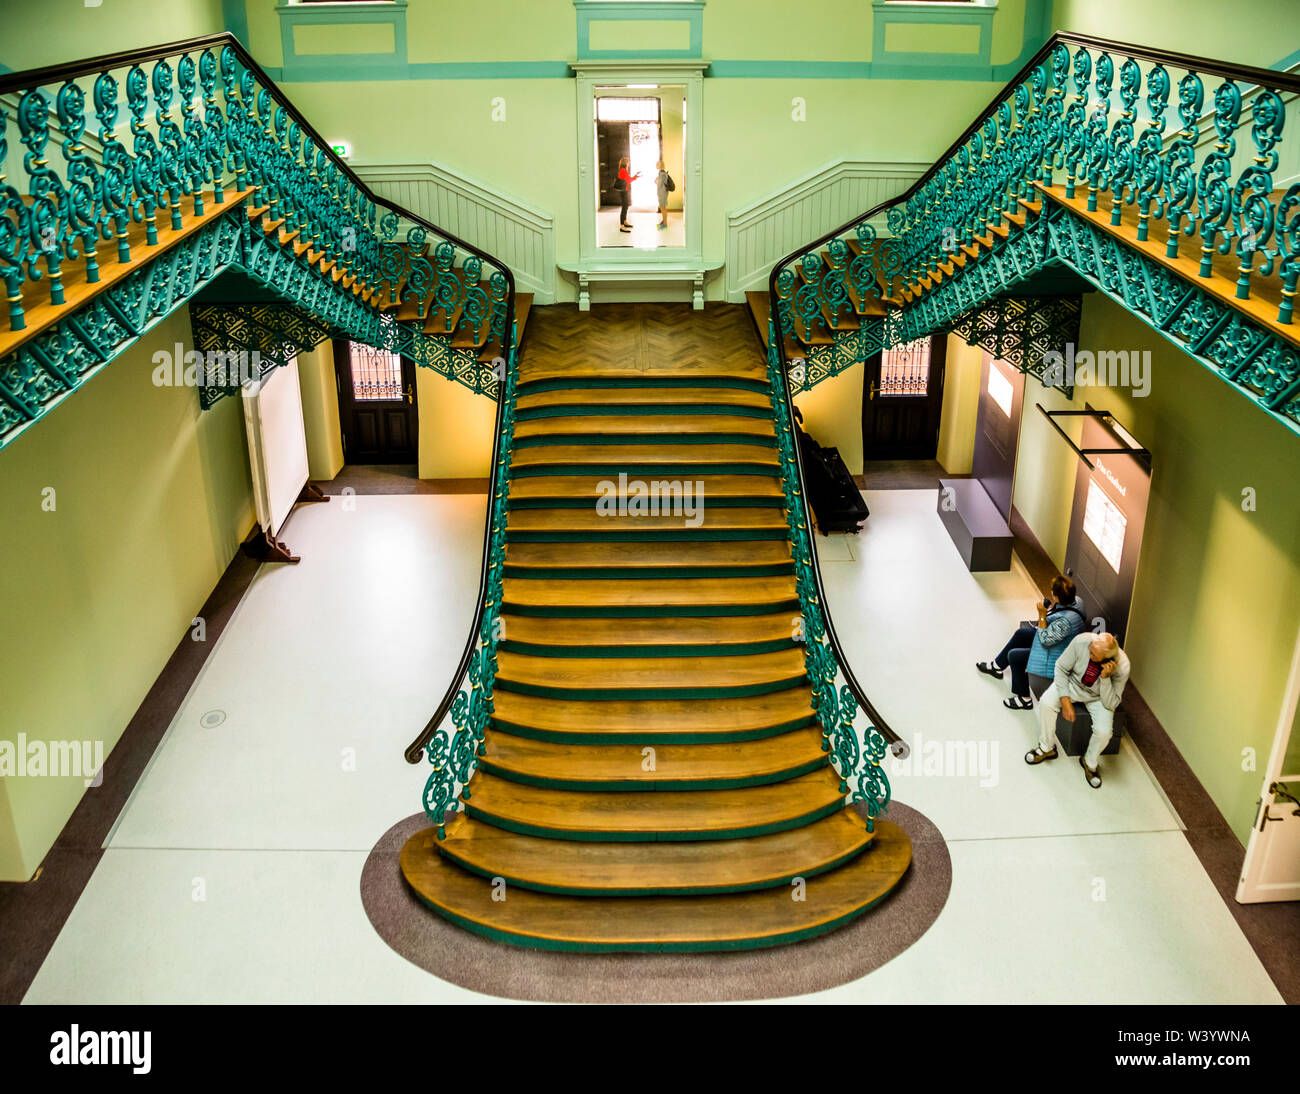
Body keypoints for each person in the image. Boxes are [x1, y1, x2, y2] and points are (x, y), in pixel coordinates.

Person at [1025, 631, 1130, 788]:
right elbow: (1061, 667)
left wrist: (1106, 678)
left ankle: (1089, 762)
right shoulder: (1083, 641)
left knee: (1104, 731)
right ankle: (1047, 748)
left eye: (1094, 654)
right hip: (1073, 683)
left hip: (1099, 696)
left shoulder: (1122, 667)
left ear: (1107, 660)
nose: (1089, 653)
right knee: (1046, 703)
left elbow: (1111, 703)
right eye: (1090, 649)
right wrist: (1065, 700)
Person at [977, 575, 1085, 710]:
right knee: (1021, 634)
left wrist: (1041, 614)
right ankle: (997, 666)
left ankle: (1024, 699)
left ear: (1057, 597)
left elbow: (1045, 640)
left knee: (1015, 656)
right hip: (1058, 639)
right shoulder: (1077, 601)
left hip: (1058, 655)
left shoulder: (1065, 622)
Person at [616, 157, 639, 232]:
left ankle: (624, 222)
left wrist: (635, 176)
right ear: (625, 163)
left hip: (625, 190)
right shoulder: (623, 170)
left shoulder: (624, 170)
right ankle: (622, 226)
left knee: (626, 207)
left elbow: (628, 180)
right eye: (628, 162)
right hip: (623, 191)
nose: (629, 163)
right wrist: (635, 177)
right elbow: (628, 180)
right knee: (624, 207)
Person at [655, 159, 671, 231]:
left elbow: (660, 184)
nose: (656, 165)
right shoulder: (662, 173)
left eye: (657, 164)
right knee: (663, 208)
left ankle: (665, 224)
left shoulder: (662, 174)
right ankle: (663, 221)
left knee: (663, 208)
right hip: (663, 193)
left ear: (660, 165)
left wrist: (656, 181)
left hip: (662, 193)